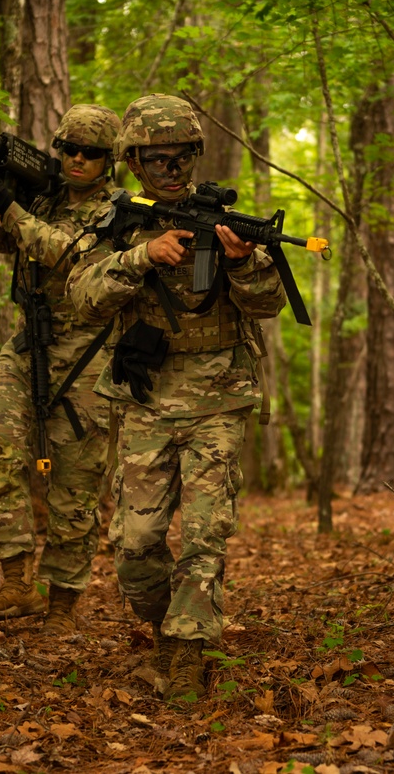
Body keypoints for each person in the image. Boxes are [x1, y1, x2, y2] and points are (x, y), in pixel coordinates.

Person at [66, 94, 289, 700]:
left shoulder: (219, 218)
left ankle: (187, 656)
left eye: (179, 155)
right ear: (134, 162)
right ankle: (166, 627)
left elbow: (268, 305)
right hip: (143, 401)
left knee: (203, 533)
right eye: (154, 157)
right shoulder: (116, 221)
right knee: (133, 544)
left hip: (219, 399)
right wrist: (141, 255)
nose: (168, 167)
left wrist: (242, 265)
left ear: (194, 155)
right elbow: (82, 296)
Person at [0, 104, 121, 636]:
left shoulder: (122, 212)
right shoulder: (43, 198)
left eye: (91, 153)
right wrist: (5, 194)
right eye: (69, 149)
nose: (78, 159)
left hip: (88, 353)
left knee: (75, 487)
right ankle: (14, 580)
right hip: (29, 344)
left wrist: (13, 209)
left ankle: (62, 608)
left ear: (110, 160)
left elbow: (72, 258)